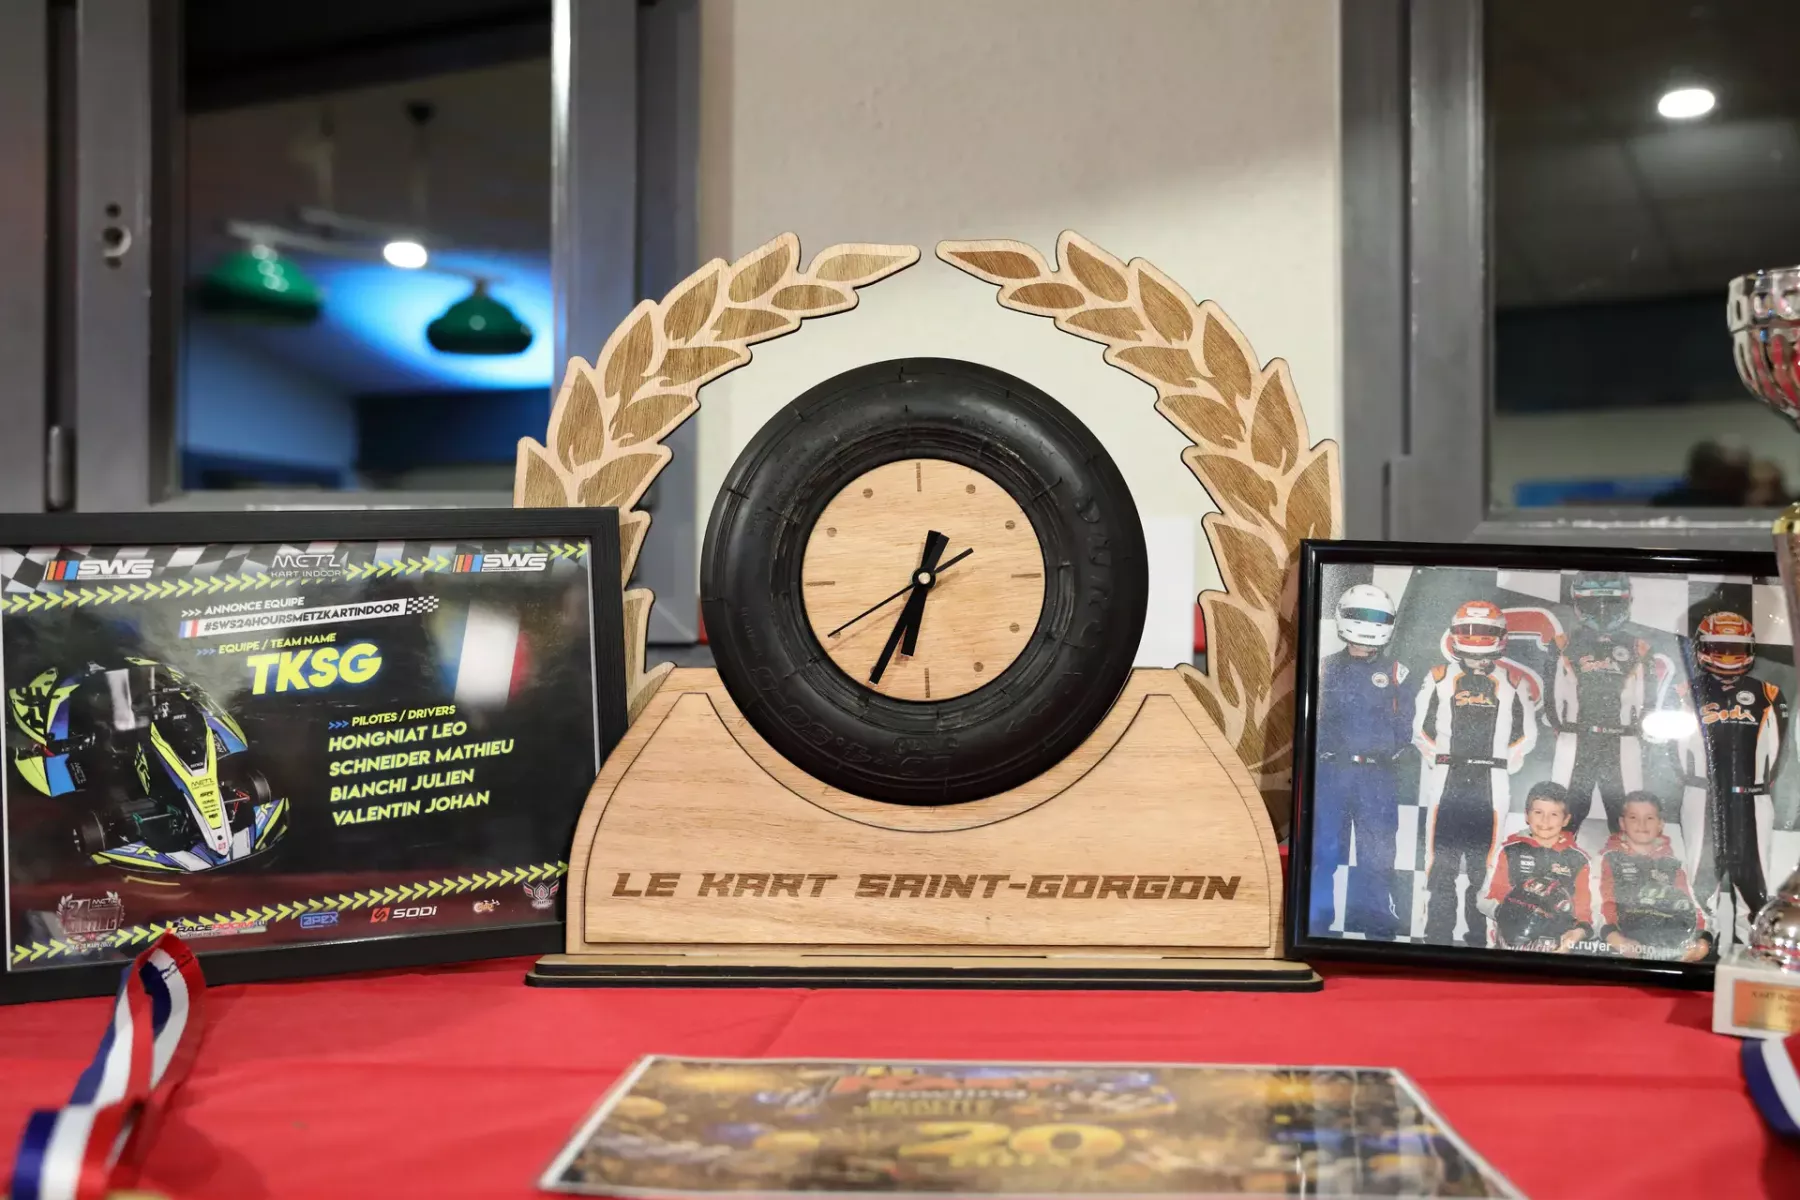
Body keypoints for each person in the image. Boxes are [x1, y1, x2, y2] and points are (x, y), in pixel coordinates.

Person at [1414, 600, 1540, 947]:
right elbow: (1421, 730)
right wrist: (1442, 760)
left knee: (1484, 867)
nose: (1477, 640)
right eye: (1470, 631)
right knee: (1440, 864)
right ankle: (1436, 939)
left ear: (1499, 636)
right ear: (1456, 634)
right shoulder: (1438, 677)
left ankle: (1478, 941)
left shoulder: (1514, 681)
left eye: (1484, 631)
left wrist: (1501, 762)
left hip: (1492, 783)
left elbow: (1527, 735)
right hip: (1447, 780)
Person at [1674, 611, 1786, 946]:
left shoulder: (1769, 692)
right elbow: (1672, 748)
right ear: (1702, 648)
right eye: (1718, 647)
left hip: (1752, 797)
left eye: (1734, 648)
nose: (1726, 655)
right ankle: (1701, 944)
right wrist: (1696, 782)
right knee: (1700, 872)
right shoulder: (1685, 690)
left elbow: (1780, 752)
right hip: (1702, 794)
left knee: (1754, 876)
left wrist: (1757, 787)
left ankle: (1749, 947)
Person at [1311, 583, 1409, 939]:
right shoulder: (1323, 668)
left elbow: (1406, 726)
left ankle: (1377, 924)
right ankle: (1315, 922)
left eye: (1376, 617)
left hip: (1376, 776)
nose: (1368, 623)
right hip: (1331, 772)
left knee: (1377, 853)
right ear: (1344, 617)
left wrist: (1384, 753)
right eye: (1360, 615)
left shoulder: (1397, 672)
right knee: (1323, 849)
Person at [1550, 572, 1650, 836]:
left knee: (1626, 820)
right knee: (1563, 817)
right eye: (1593, 603)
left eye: (1611, 603)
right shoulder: (1564, 643)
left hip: (1621, 741)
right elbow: (1551, 698)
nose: (1602, 610)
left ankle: (1623, 864)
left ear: (1626, 602)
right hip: (1576, 739)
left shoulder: (1637, 646)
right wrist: (1565, 731)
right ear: (1578, 603)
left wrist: (1636, 731)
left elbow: (1648, 702)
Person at [1478, 782, 1593, 952]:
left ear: (1566, 820)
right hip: (1510, 944)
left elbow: (1586, 910)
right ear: (1527, 815)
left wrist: (1578, 932)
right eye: (1538, 812)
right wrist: (1512, 912)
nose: (1545, 820)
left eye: (1554, 814)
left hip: (1558, 946)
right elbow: (1485, 899)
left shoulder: (1579, 859)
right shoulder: (1509, 851)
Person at [1598, 791, 1711, 962]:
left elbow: (1694, 908)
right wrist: (1613, 937)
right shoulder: (1606, 859)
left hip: (1670, 947)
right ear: (1622, 823)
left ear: (1660, 824)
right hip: (1622, 945)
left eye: (1649, 818)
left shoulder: (1673, 864)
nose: (1642, 824)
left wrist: (1702, 940)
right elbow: (1596, 905)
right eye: (1633, 817)